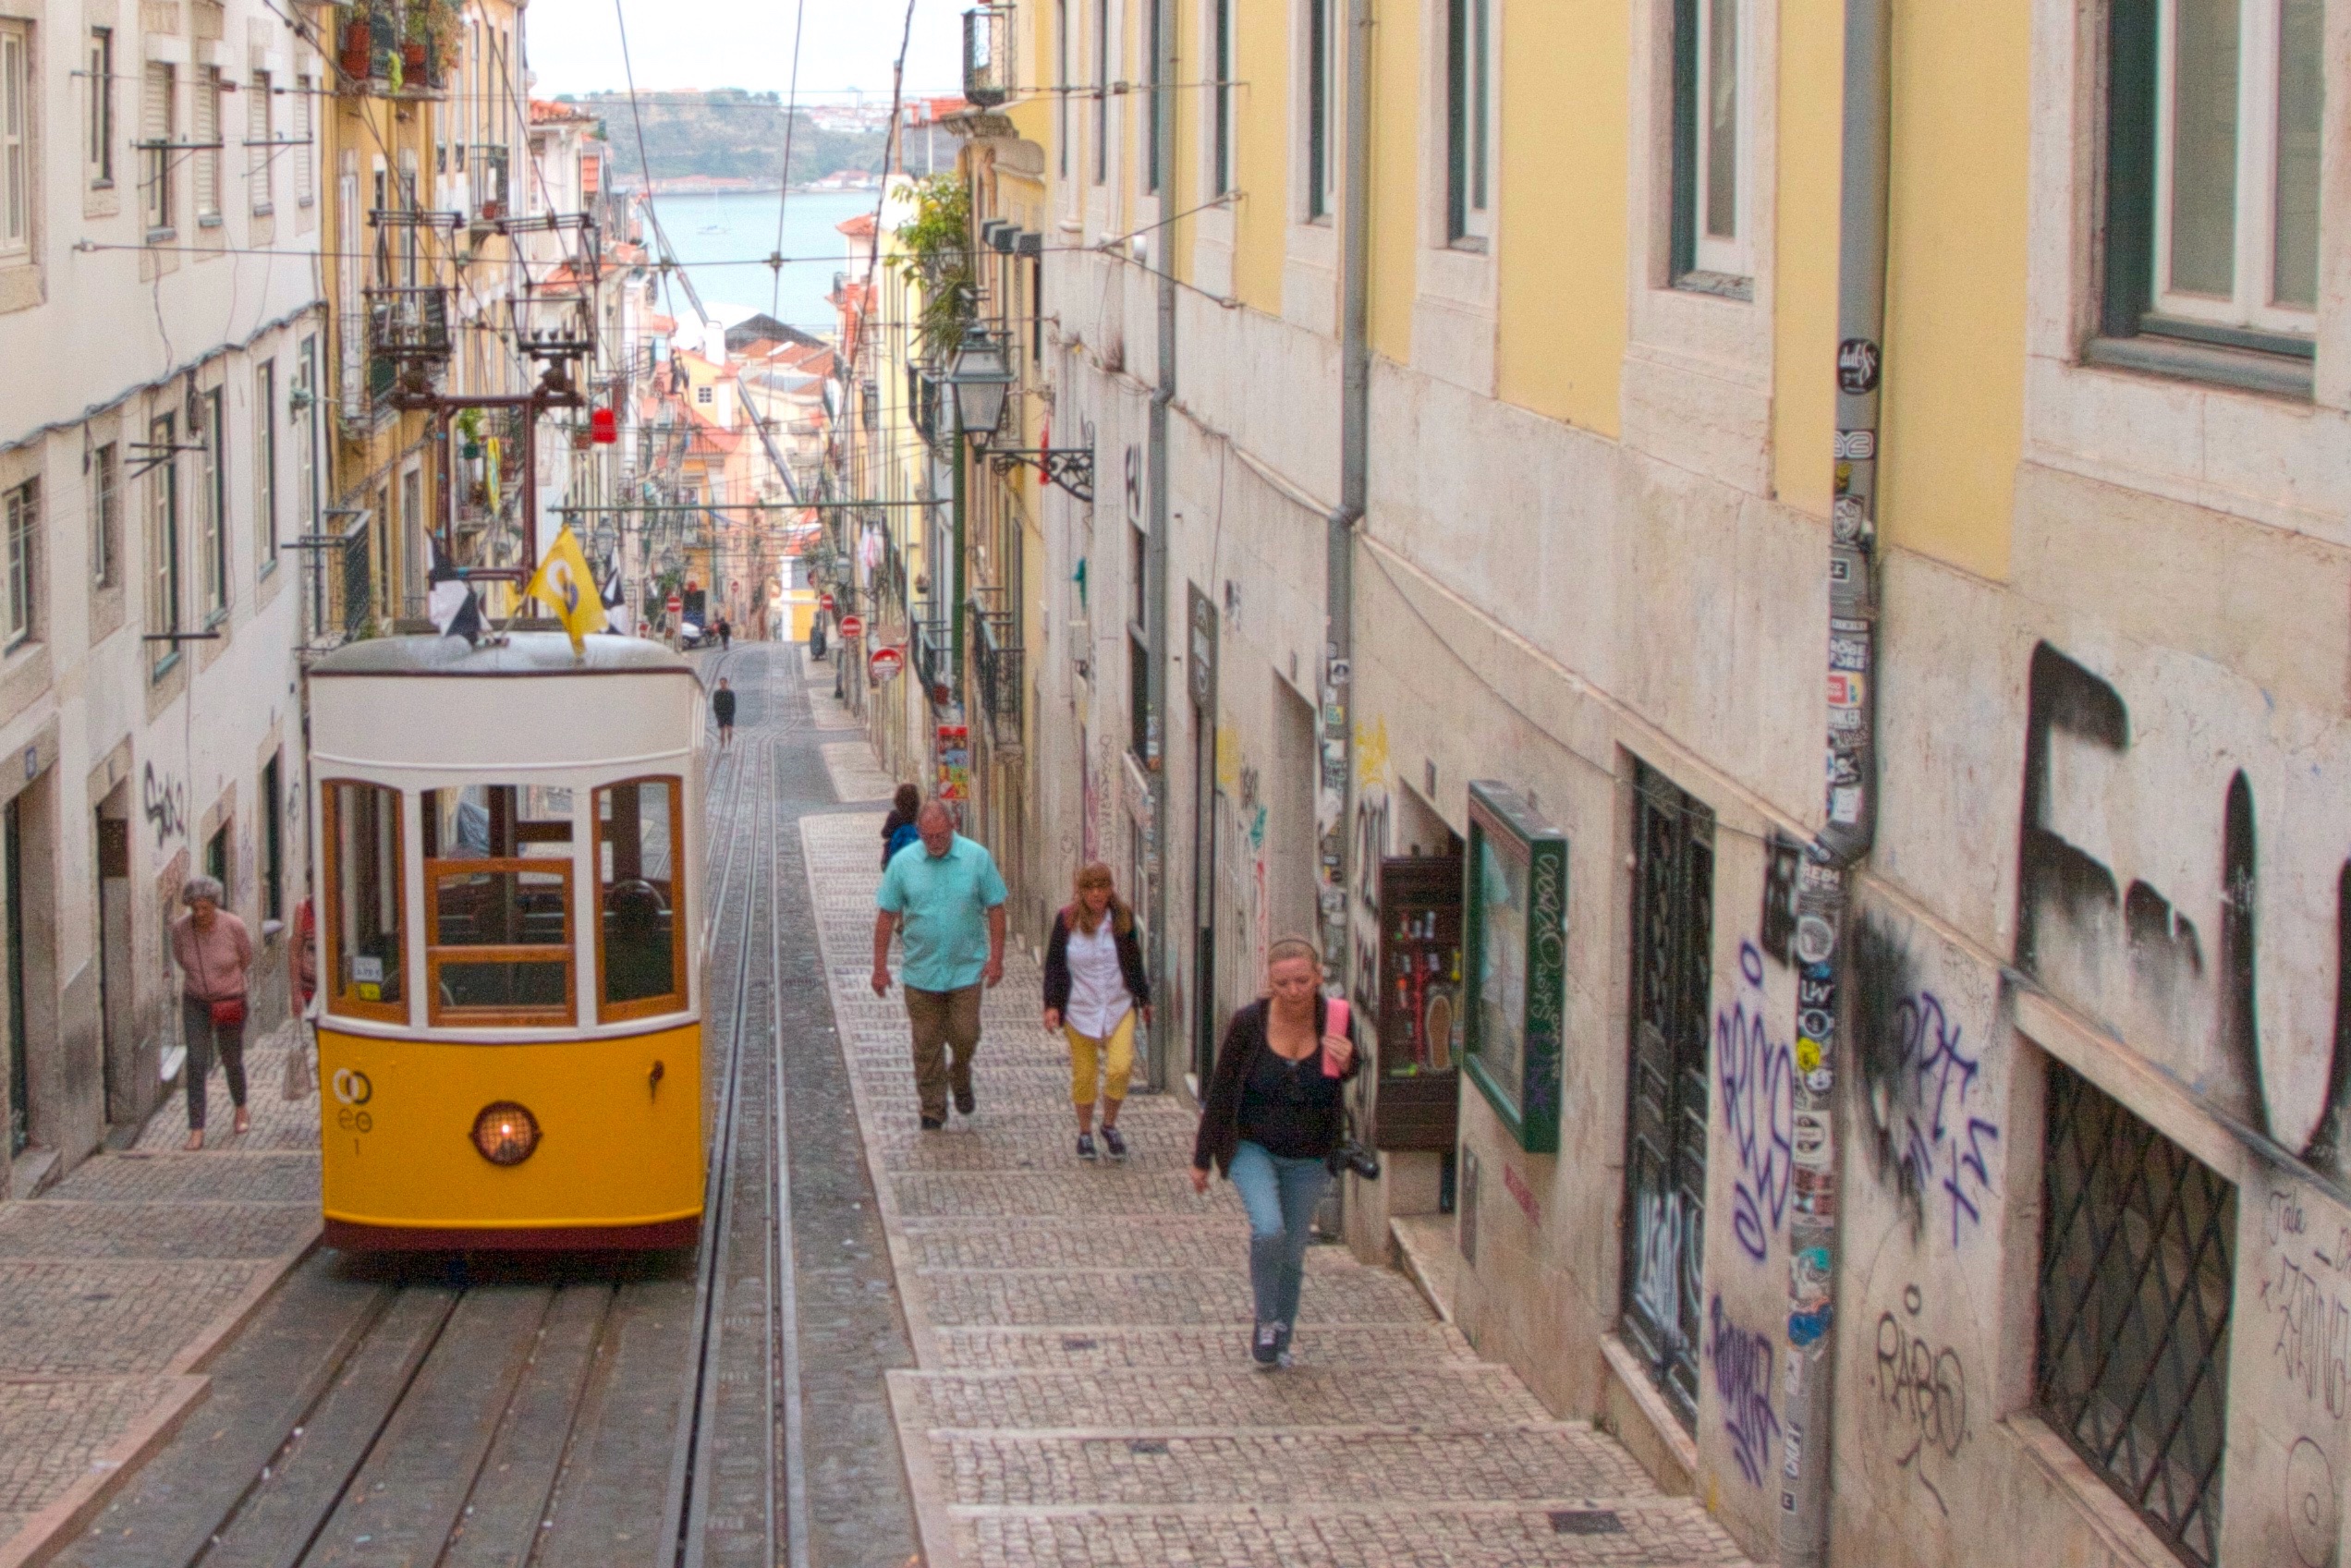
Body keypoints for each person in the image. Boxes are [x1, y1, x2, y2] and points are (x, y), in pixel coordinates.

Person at [1189, 937, 1359, 1369]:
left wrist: (1350, 1061)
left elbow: (1344, 1078)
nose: (1294, 991)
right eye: (1283, 983)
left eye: (1303, 980)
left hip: (1310, 1155)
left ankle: (1282, 1331)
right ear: (1270, 982)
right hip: (1253, 1147)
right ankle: (1266, 1320)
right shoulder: (1249, 1024)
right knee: (1269, 1231)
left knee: (1294, 1248)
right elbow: (1222, 1089)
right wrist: (1201, 1157)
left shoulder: (1337, 1020)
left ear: (1319, 978)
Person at [871, 802, 1007, 1130]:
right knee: (926, 1044)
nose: (935, 842)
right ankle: (932, 1108)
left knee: (966, 1034)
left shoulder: (976, 858)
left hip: (966, 971)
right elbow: (886, 915)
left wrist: (996, 959)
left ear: (953, 826)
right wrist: (879, 967)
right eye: (928, 836)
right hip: (920, 972)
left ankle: (960, 1072)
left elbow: (996, 908)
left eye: (941, 835)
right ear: (919, 833)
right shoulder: (903, 864)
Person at [1043, 863, 1151, 1161]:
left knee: (1120, 1066)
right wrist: (1052, 1005)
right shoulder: (1066, 921)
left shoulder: (1121, 918)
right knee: (1085, 1075)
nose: (1097, 894)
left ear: (1109, 889)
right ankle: (1085, 1133)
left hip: (1119, 1005)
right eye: (1091, 888)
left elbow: (1134, 961)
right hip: (1079, 1008)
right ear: (1082, 892)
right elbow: (1054, 965)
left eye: (1102, 888)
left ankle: (1109, 1125)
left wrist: (1144, 998)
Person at [172, 875, 255, 1151]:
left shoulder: (233, 926)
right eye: (194, 908)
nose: (200, 914)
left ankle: (241, 1108)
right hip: (195, 1000)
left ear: (215, 905)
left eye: (205, 908)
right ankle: (196, 1129)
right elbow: (181, 959)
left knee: (231, 1057)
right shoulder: (181, 930)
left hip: (230, 999)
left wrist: (226, 983)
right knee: (196, 1062)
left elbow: (246, 958)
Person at [879, 783, 921, 869]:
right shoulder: (919, 816)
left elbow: (884, 834)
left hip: (897, 859)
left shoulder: (895, 815)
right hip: (915, 859)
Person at [712, 677, 737, 748]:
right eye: (721, 683)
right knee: (722, 732)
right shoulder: (717, 693)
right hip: (720, 715)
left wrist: (731, 713)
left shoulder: (731, 693)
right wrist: (717, 714)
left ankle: (729, 744)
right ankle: (723, 746)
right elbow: (715, 704)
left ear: (726, 683)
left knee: (730, 731)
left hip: (729, 714)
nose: (722, 684)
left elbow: (733, 704)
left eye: (723, 683)